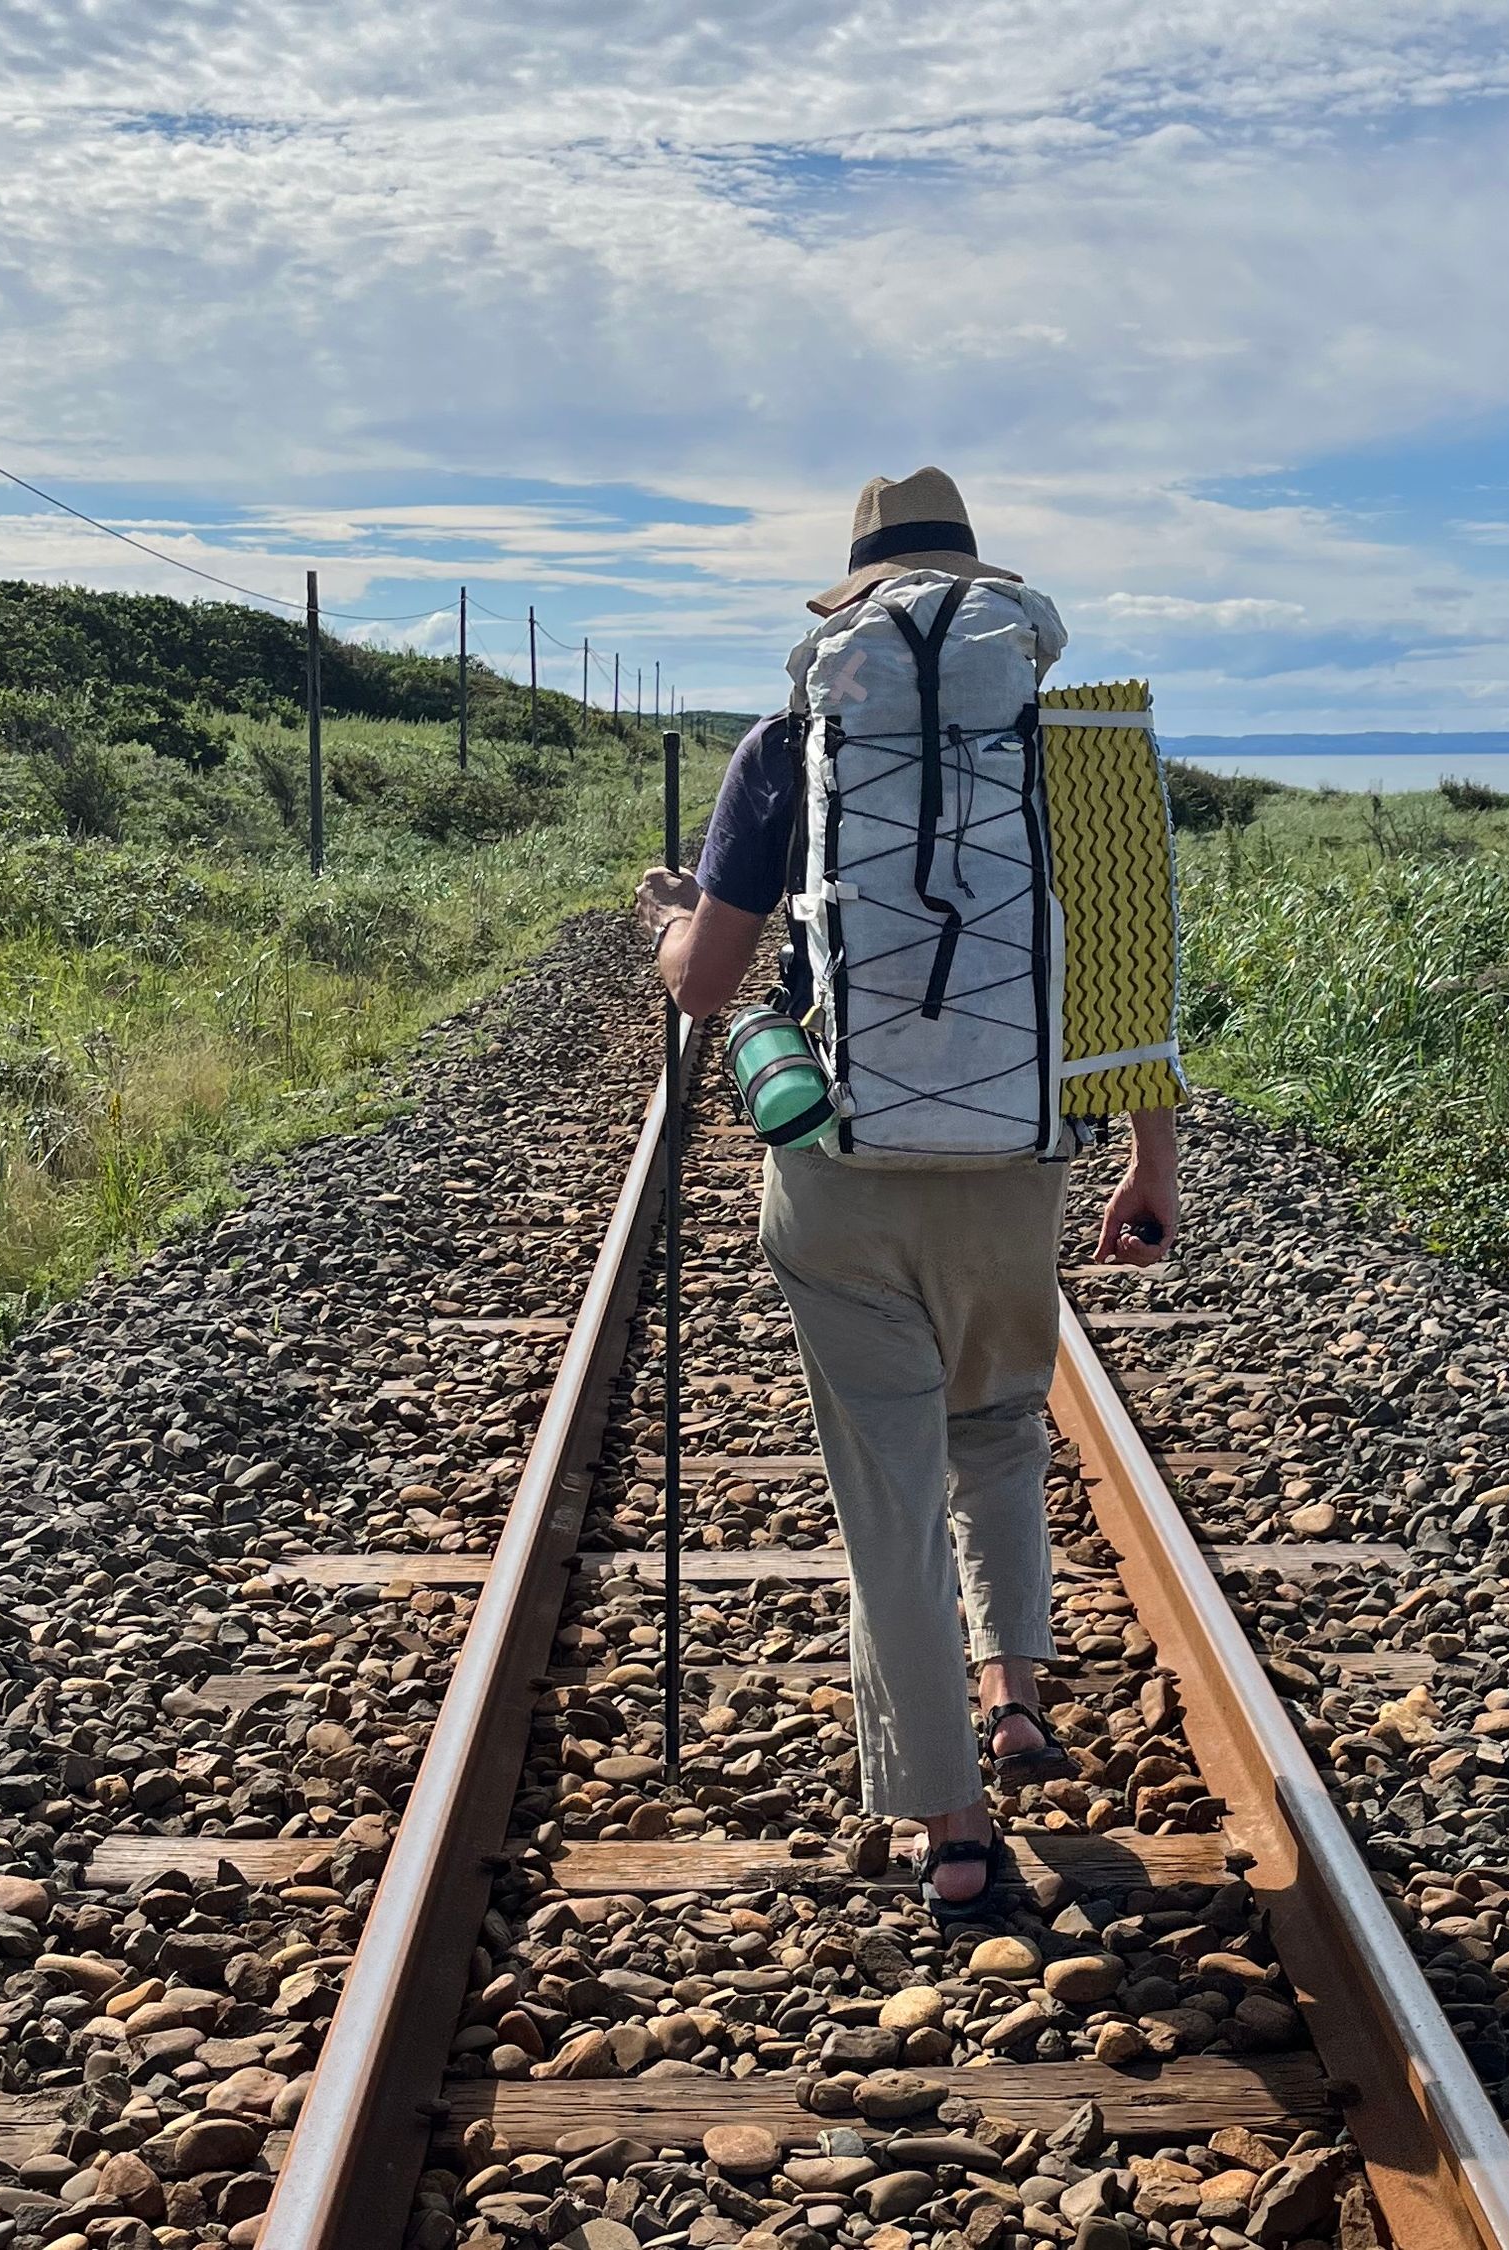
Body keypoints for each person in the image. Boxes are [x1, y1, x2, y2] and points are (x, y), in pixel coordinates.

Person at [634, 468, 1181, 1912]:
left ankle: (951, 1820)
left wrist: (680, 924)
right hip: (1020, 1166)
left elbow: (704, 990)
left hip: (843, 1175)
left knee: (888, 1493)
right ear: (984, 593)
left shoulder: (785, 746)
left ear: (857, 603)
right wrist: (1148, 1159)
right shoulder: (1073, 749)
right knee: (998, 1418)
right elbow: (1131, 973)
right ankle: (1016, 1689)